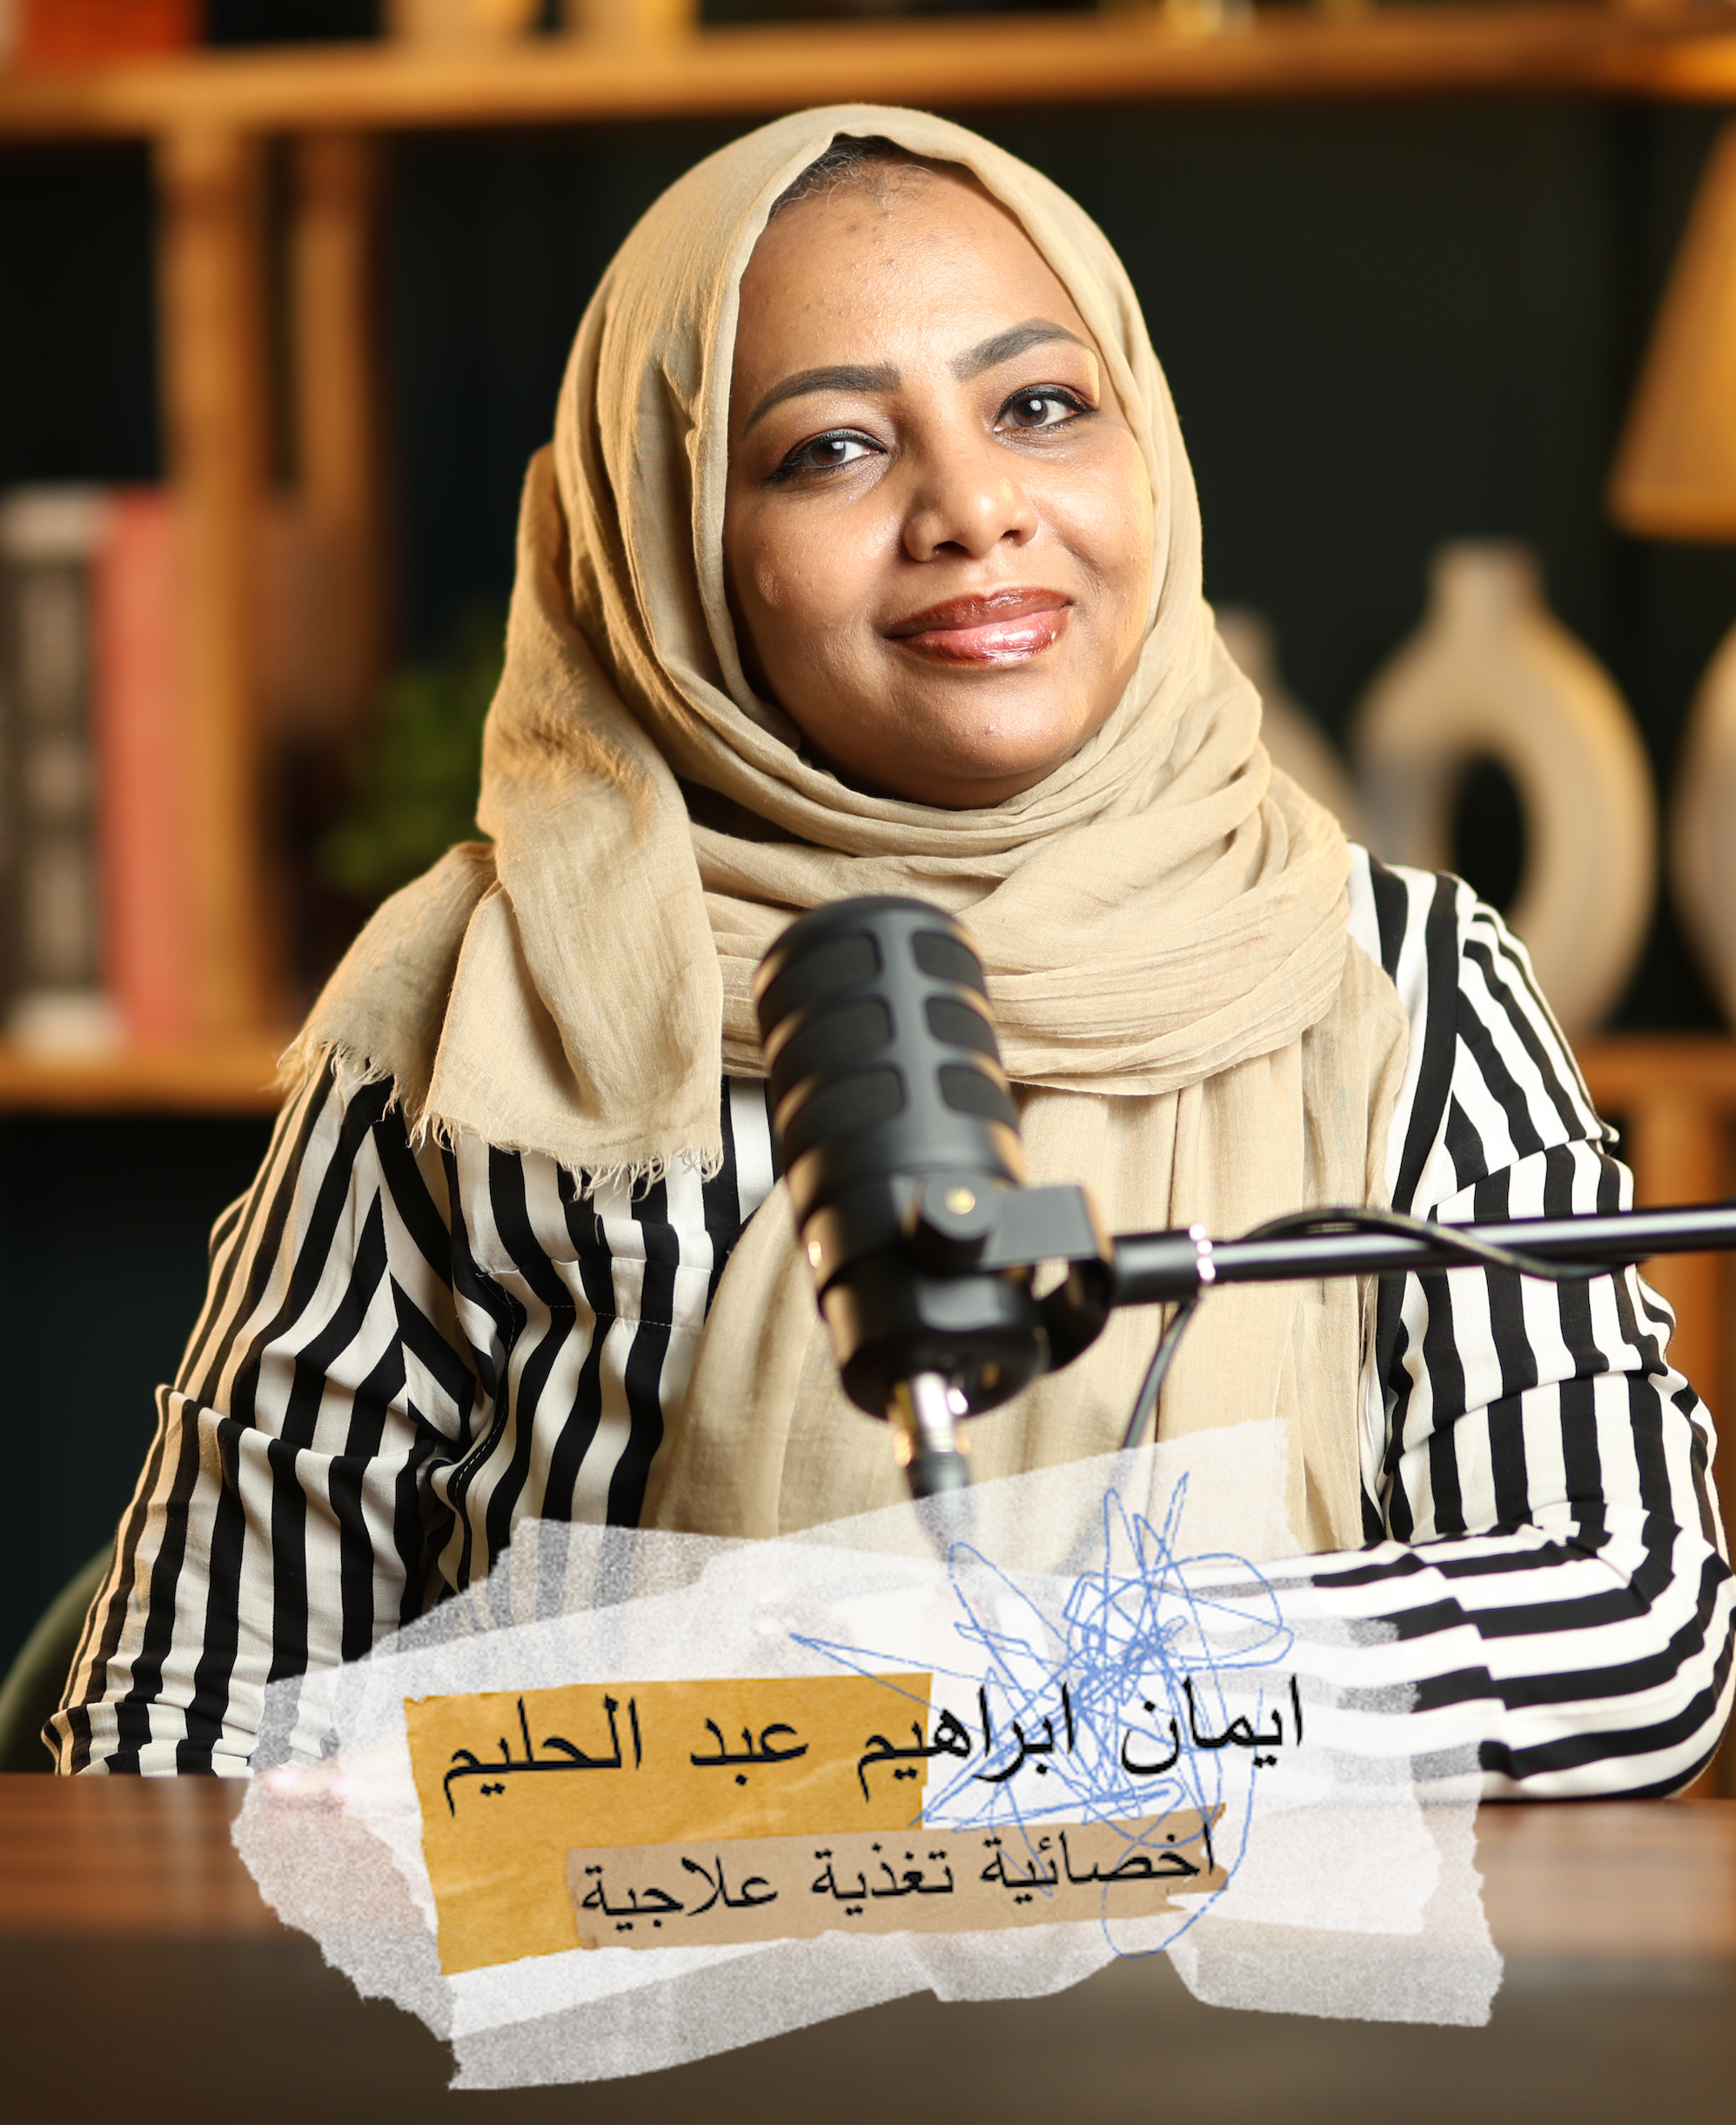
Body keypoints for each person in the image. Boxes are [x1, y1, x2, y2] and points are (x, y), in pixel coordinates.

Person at [52, 108, 1733, 1791]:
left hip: (1247, 2049)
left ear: (1142, 443)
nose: (974, 507)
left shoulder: (1396, 975)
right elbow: (173, 1727)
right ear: (671, 548)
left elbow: (1635, 1624)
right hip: (606, 2045)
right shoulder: (482, 1006)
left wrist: (992, 1712)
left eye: (1040, 407)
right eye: (830, 450)